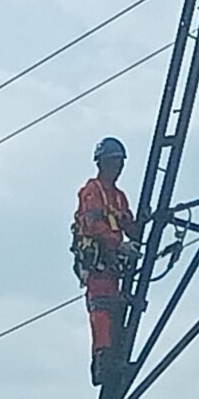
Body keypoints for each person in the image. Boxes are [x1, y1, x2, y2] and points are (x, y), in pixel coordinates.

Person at [71, 137, 141, 385]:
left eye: (120, 162)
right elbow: (93, 224)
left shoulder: (119, 197)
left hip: (113, 268)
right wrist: (118, 243)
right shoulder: (92, 191)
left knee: (117, 310)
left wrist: (147, 221)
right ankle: (102, 362)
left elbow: (130, 225)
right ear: (101, 163)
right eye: (113, 162)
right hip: (98, 265)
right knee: (101, 312)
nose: (117, 167)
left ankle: (114, 359)